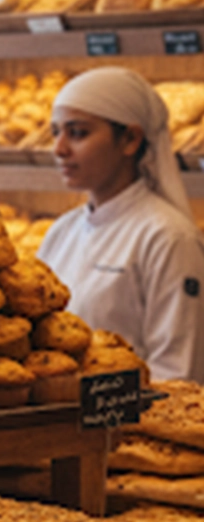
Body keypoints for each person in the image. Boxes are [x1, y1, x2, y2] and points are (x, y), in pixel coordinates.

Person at [37, 67, 204, 381]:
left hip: (132, 427)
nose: (59, 149)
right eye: (55, 132)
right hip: (63, 423)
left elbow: (178, 372)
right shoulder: (61, 232)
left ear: (130, 139)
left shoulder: (168, 237)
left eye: (78, 133)